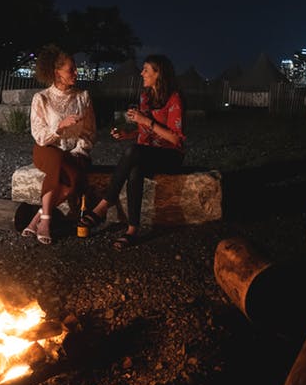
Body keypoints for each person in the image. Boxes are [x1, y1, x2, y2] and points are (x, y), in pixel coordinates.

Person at [79, 54, 185, 250]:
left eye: (146, 69)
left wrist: (146, 121)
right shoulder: (145, 97)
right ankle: (132, 230)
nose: (142, 73)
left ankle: (105, 203)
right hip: (145, 152)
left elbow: (175, 139)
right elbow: (144, 131)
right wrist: (128, 133)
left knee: (134, 151)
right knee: (135, 169)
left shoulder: (174, 98)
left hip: (170, 155)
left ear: (158, 73)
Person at [21, 44, 96, 244]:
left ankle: (38, 218)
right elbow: (39, 136)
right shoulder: (42, 98)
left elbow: (89, 133)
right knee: (56, 159)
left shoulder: (83, 97)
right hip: (47, 150)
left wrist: (80, 151)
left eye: (75, 68)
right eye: (71, 69)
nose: (76, 72)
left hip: (74, 154)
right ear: (57, 73)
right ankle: (45, 221)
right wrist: (60, 128)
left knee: (71, 182)